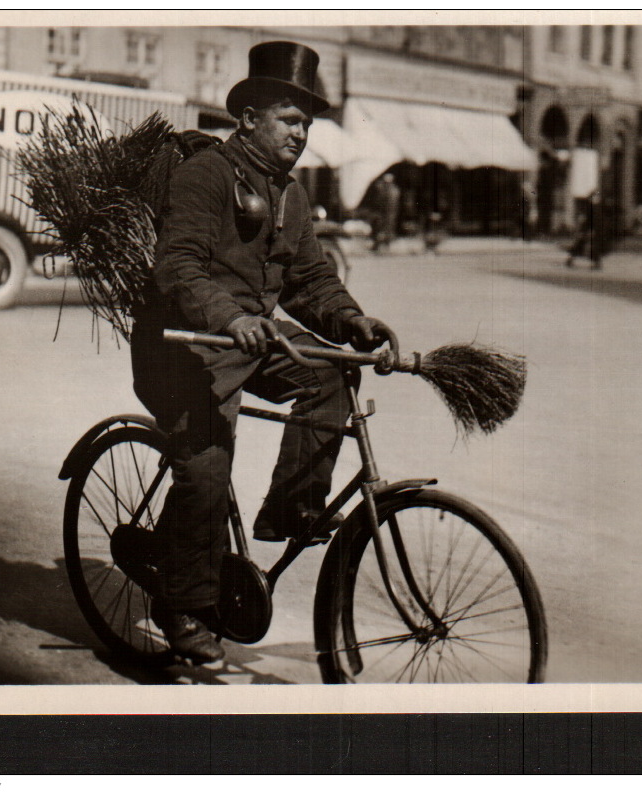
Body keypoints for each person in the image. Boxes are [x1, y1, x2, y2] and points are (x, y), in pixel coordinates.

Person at [130, 41, 394, 664]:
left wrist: (353, 321)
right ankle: (182, 606)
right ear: (248, 117)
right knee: (208, 465)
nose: (302, 134)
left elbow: (310, 282)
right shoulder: (206, 175)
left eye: (307, 123)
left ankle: (292, 510)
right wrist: (232, 316)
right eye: (290, 119)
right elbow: (177, 268)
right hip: (181, 345)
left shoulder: (290, 195)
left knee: (330, 373)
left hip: (250, 340)